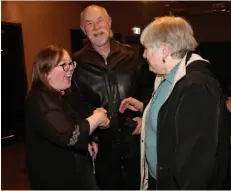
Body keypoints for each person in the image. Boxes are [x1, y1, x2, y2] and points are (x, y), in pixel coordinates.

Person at [119, 16, 230, 190]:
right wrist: (144, 107)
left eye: (146, 48)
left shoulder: (196, 85)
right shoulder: (168, 75)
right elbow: (174, 109)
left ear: (164, 50)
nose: (144, 55)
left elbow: (196, 162)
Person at [70, 5, 155, 190]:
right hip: (101, 149)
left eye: (100, 20)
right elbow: (74, 104)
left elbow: (150, 90)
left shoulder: (133, 56)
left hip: (135, 144)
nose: (96, 27)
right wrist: (89, 136)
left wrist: (144, 115)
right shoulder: (76, 63)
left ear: (109, 21)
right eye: (89, 24)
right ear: (83, 29)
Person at [25, 45, 110, 190]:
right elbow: (71, 136)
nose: (70, 68)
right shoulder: (39, 99)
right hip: (55, 179)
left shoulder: (64, 93)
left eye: (71, 63)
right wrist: (97, 118)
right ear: (46, 72)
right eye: (64, 65)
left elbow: (77, 121)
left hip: (76, 172)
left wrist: (90, 139)